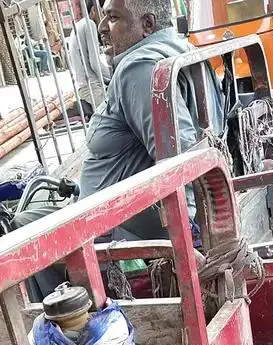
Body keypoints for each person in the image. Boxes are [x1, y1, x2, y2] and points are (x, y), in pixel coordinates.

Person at [79, 0, 224, 240]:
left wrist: (189, 236)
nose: (101, 27)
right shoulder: (181, 48)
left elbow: (181, 150)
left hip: (112, 234)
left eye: (113, 18)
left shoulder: (138, 68)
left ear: (147, 24)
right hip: (119, 220)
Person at [67, 0, 110, 118]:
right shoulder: (89, 24)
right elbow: (95, 63)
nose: (105, 18)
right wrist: (114, 73)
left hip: (84, 85)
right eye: (103, 12)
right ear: (94, 10)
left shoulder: (78, 25)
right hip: (92, 87)